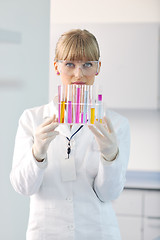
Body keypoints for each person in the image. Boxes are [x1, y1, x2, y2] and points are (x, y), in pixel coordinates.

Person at [10, 29, 130, 240]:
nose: (79, 74)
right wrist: (37, 154)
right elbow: (23, 187)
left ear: (98, 67)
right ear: (56, 67)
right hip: (47, 232)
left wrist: (110, 156)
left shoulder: (116, 125)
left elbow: (109, 194)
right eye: (70, 64)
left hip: (97, 232)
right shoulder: (32, 119)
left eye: (87, 64)